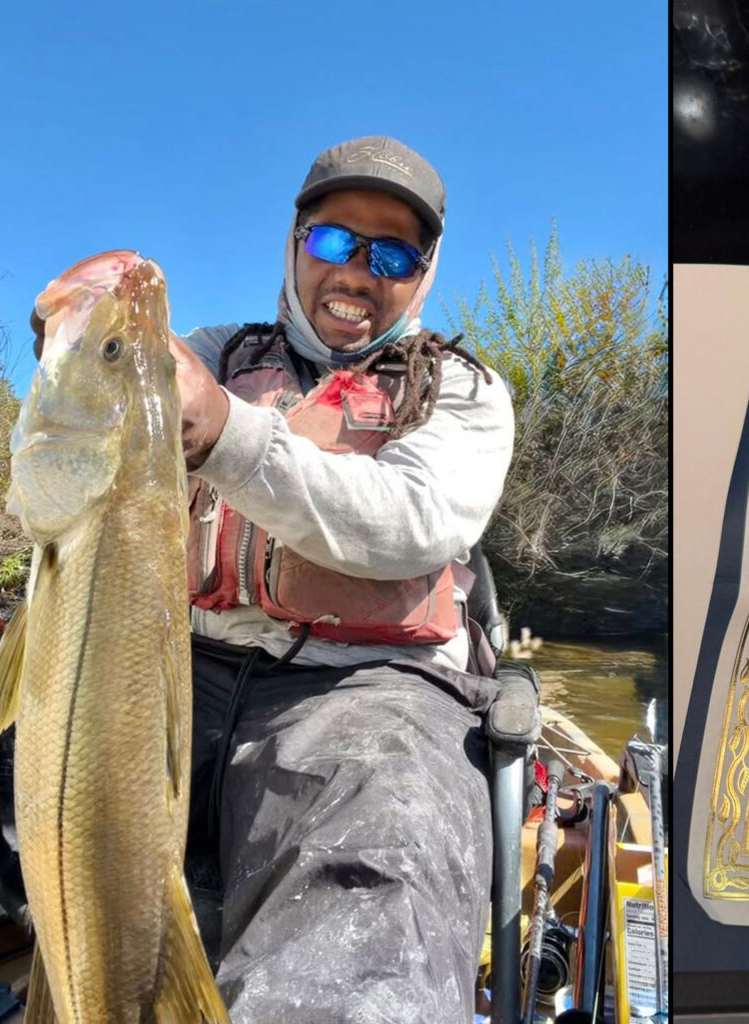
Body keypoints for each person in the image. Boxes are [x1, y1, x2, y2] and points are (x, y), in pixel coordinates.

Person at [125, 137, 515, 1021]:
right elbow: (110, 395)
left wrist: (229, 435)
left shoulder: (461, 388)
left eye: (392, 255)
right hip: (173, 672)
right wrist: (79, 343)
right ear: (297, 241)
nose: (357, 274)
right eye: (336, 242)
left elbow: (415, 523)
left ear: (424, 274)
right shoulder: (215, 353)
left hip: (368, 692)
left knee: (389, 843)